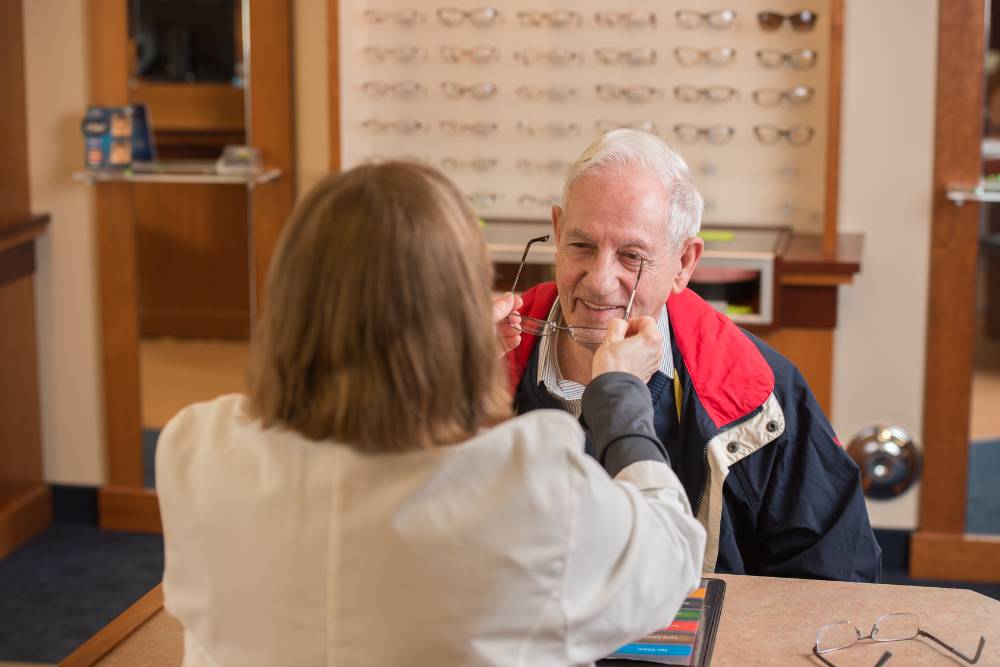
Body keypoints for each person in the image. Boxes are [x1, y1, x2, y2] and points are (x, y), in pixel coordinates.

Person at [156, 161, 706, 666]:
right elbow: (671, 559)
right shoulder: (531, 487)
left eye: (631, 255)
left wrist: (455, 371)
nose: (601, 278)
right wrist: (618, 396)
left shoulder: (193, 446)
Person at [495, 129, 882, 581]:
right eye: (581, 246)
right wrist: (448, 384)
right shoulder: (481, 357)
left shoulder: (756, 389)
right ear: (557, 233)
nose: (599, 281)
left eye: (632, 256)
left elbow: (837, 582)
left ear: (684, 263)